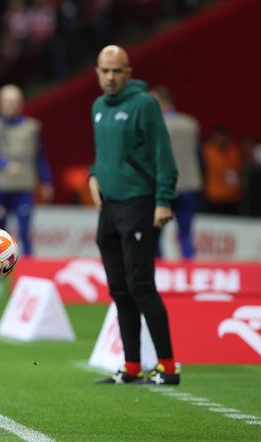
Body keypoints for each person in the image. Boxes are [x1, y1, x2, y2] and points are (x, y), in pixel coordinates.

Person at [88, 45, 180, 385]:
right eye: (104, 71)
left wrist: (164, 200)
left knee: (141, 286)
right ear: (97, 73)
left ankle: (168, 367)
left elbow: (163, 156)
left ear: (128, 73)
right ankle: (131, 366)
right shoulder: (98, 106)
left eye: (117, 71)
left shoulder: (144, 104)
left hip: (140, 203)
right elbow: (103, 154)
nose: (110, 77)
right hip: (109, 208)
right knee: (119, 290)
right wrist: (93, 175)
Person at [0, 84, 54, 257]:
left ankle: (29, 271)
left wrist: (46, 181)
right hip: (0, 186)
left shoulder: (32, 127)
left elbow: (40, 157)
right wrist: (5, 164)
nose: (11, 106)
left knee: (25, 232)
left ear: (21, 104)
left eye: (14, 102)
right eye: (7, 102)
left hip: (24, 186)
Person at [150, 86, 201, 259]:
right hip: (188, 184)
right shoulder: (190, 123)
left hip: (162, 187)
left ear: (161, 102)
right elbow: (198, 155)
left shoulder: (153, 126)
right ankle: (188, 268)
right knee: (186, 233)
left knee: (155, 235)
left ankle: (159, 271)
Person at [201, 125, 243, 215]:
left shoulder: (234, 151)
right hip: (213, 197)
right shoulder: (207, 151)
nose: (222, 139)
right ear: (214, 137)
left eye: (224, 136)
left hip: (233, 197)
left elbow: (240, 171)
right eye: (219, 136)